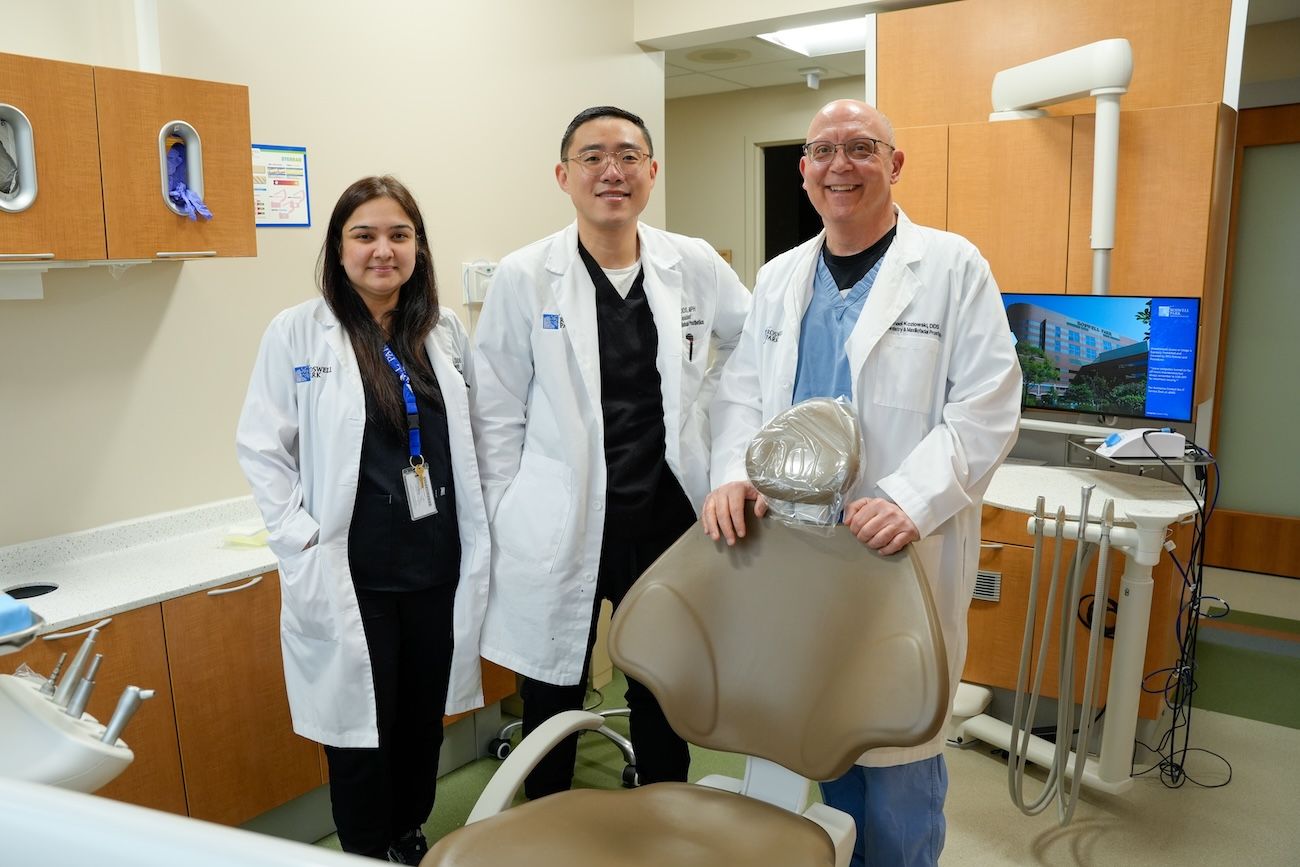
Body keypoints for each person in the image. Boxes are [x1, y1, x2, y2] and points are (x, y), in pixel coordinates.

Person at [703, 99, 1021, 867]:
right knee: (822, 728)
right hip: (796, 550)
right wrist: (731, 474)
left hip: (895, 552)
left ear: (895, 164)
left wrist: (910, 502)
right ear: (804, 172)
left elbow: (986, 407)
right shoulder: (780, 276)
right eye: (822, 151)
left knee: (900, 748)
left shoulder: (951, 267)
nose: (839, 165)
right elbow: (740, 393)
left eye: (861, 148)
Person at [470, 106, 752, 798]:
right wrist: (510, 505)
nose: (611, 171)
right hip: (559, 522)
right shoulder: (524, 275)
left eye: (628, 156)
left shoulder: (692, 263)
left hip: (663, 517)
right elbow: (495, 406)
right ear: (563, 175)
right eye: (592, 156)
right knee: (550, 695)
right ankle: (545, 832)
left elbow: (753, 345)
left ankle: (664, 826)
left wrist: (715, 421)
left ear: (652, 172)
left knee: (663, 687)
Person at [236, 176, 490, 863]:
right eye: (365, 234)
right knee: (357, 734)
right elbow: (262, 445)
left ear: (419, 248)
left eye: (399, 234)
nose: (384, 249)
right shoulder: (298, 332)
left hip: (434, 566)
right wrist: (299, 537)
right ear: (339, 249)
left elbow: (470, 440)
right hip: (354, 573)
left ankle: (407, 834)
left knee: (420, 727)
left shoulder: (441, 331)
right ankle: (363, 849)